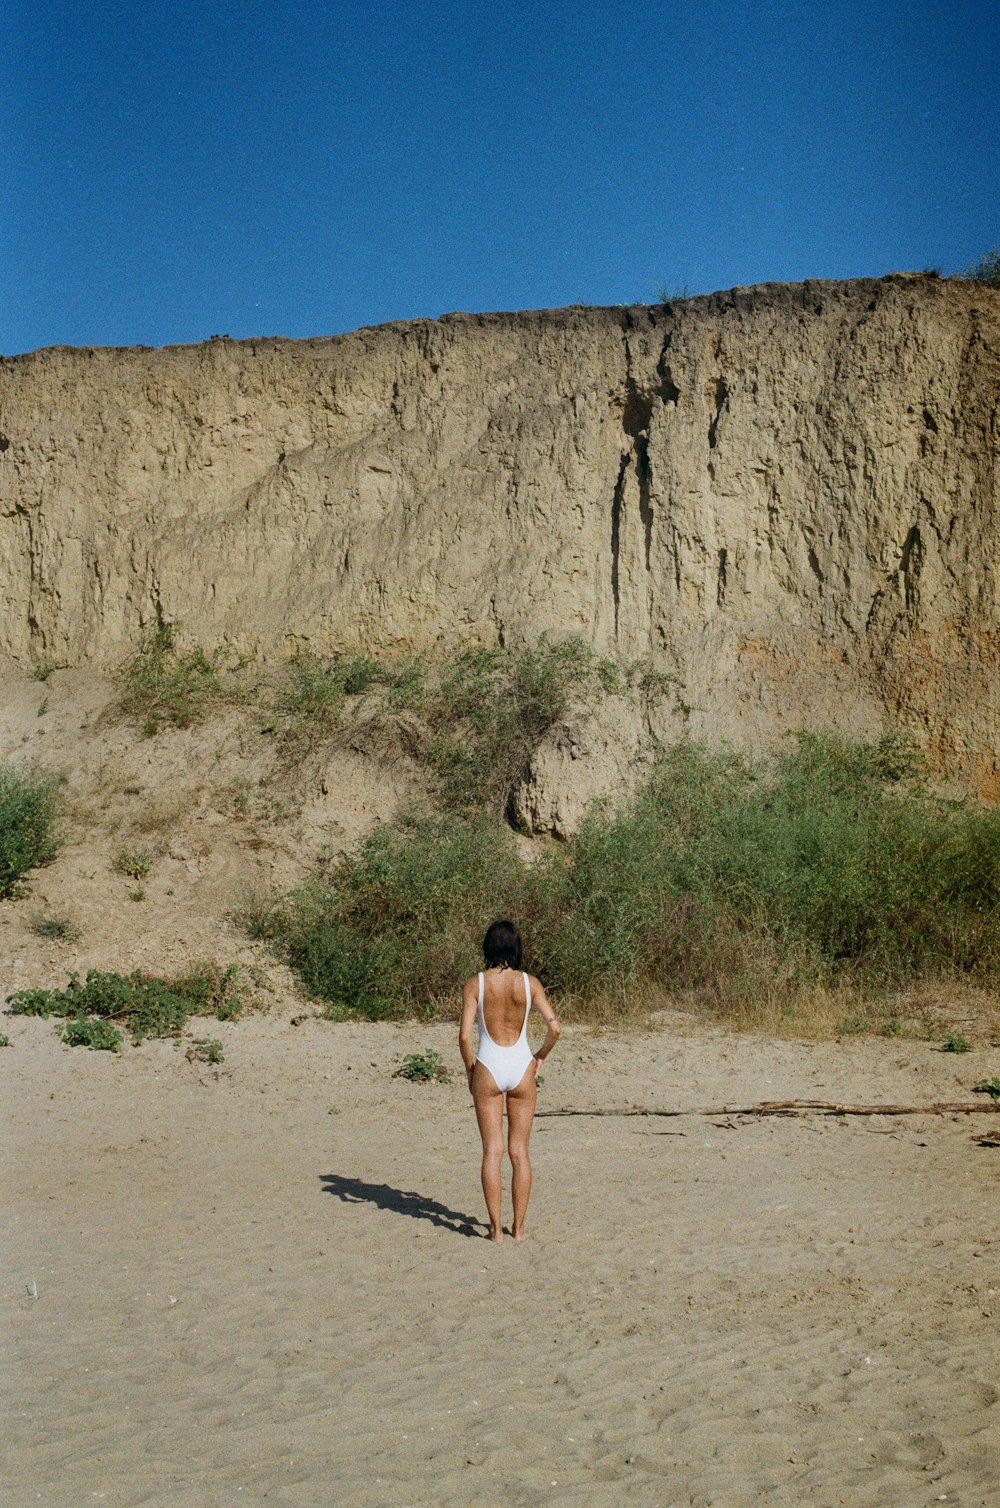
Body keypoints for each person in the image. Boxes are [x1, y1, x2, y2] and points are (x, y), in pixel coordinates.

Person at [459, 920, 560, 1243]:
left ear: (488, 947)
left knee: (492, 1151)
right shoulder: (530, 984)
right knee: (520, 1152)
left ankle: (494, 1230)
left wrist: (470, 1068)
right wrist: (539, 1057)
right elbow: (555, 1028)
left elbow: (464, 1037)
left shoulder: (475, 984)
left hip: (488, 1064)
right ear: (516, 948)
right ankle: (518, 1229)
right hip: (521, 1066)